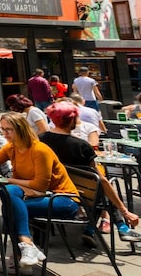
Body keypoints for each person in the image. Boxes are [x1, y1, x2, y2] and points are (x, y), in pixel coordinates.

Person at [0, 112, 79, 269]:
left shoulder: (40, 150)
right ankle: (27, 249)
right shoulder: (12, 147)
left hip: (64, 200)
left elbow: (40, 185)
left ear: (21, 129)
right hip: (39, 197)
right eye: (2, 129)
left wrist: (9, 179)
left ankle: (20, 255)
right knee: (9, 194)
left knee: (10, 206)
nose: (4, 133)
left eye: (9, 129)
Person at [41, 101, 141, 245]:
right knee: (101, 187)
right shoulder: (81, 146)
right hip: (81, 192)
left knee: (96, 190)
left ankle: (94, 230)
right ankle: (119, 227)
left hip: (52, 188)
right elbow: (101, 180)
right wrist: (124, 210)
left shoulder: (41, 139)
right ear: (72, 120)